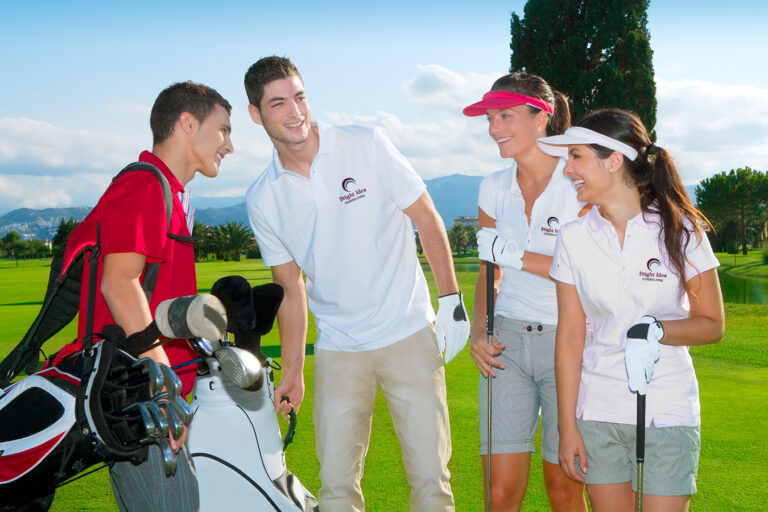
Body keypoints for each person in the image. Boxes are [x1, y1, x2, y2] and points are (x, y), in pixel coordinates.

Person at [244, 55, 469, 512]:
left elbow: (426, 218)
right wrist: (292, 370)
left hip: (408, 332)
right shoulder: (263, 197)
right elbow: (290, 287)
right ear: (256, 114)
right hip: (339, 348)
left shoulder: (366, 143)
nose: (295, 112)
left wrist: (451, 300)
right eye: (279, 103)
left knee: (430, 480)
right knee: (336, 488)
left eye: (300, 97)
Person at [53, 81, 234, 511]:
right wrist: (164, 386)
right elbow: (118, 283)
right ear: (188, 123)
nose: (229, 145)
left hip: (144, 392)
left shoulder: (171, 194)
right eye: (224, 129)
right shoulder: (145, 185)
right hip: (137, 396)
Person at [540, 108, 725, 512]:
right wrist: (566, 425)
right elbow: (570, 336)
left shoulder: (682, 230)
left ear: (614, 160)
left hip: (666, 408)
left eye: (576, 157)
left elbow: (712, 325)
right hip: (598, 408)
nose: (568, 170)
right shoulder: (573, 238)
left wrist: (656, 329)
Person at [463, 72, 589, 511]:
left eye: (505, 116)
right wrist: (479, 331)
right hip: (507, 343)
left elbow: (594, 275)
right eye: (490, 119)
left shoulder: (579, 184)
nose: (494, 129)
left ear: (542, 119)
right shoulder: (492, 187)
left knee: (565, 488)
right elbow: (488, 272)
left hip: (570, 342)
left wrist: (519, 257)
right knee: (498, 493)